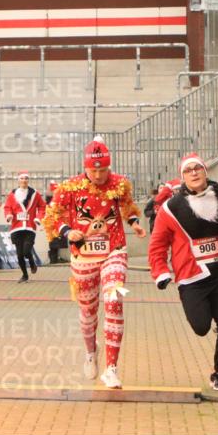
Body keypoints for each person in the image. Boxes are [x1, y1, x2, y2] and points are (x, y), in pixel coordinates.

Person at [148, 153, 218, 392]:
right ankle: (203, 310)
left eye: (197, 168)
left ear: (205, 171)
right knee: (201, 327)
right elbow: (157, 244)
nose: (194, 173)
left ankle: (217, 373)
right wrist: (160, 271)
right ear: (183, 177)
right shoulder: (171, 209)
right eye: (188, 170)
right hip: (191, 277)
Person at [43, 136, 146, 389]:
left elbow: (127, 206)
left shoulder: (119, 183)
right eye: (93, 170)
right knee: (87, 312)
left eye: (103, 170)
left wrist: (134, 223)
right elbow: (52, 216)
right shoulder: (69, 188)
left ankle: (112, 368)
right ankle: (91, 351)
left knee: (114, 300)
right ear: (85, 166)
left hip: (114, 250)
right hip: (83, 256)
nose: (99, 175)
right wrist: (68, 232)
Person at [3, 171, 46, 282]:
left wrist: (38, 217)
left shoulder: (35, 194)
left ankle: (32, 263)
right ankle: (25, 275)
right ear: (18, 180)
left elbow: (42, 206)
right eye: (22, 178)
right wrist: (8, 215)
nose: (24, 180)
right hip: (16, 227)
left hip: (30, 226)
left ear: (28, 180)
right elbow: (7, 207)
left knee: (26, 251)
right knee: (20, 255)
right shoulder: (12, 194)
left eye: (26, 178)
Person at [44, 180, 67, 264]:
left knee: (59, 239)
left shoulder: (57, 198)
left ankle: (56, 257)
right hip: (52, 222)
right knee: (54, 240)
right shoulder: (50, 199)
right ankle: (53, 259)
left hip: (58, 220)